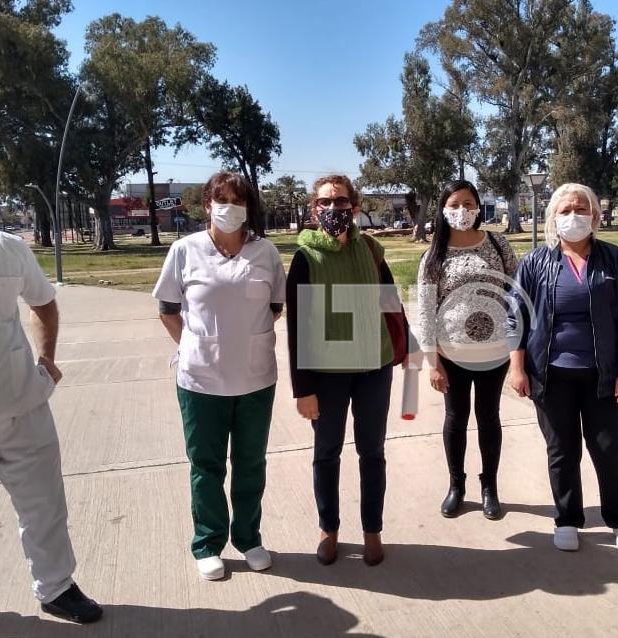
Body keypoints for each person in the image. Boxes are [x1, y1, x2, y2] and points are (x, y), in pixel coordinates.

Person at [0, 164, 102, 638]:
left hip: (22, 402)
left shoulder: (11, 249)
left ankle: (57, 588)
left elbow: (43, 302)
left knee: (45, 505)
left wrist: (46, 357)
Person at [152, 171, 285, 581]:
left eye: (238, 201)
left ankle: (248, 538)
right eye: (221, 199)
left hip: (255, 379)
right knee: (206, 466)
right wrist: (195, 345)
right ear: (207, 204)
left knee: (250, 463)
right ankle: (208, 544)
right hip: (201, 381)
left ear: (249, 208)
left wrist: (246, 339)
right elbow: (167, 309)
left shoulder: (265, 252)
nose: (230, 208)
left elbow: (275, 306)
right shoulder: (184, 250)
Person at [506, 183, 618, 553]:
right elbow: (516, 317)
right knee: (562, 449)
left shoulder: (615, 260)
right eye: (565, 210)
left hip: (603, 375)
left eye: (581, 209)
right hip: (550, 374)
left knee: (608, 448)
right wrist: (517, 368)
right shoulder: (536, 262)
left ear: (596, 216)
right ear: (553, 217)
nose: (573, 216)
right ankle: (567, 519)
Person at [286, 174, 409, 567]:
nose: (333, 208)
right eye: (325, 202)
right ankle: (329, 529)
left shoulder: (370, 248)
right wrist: (303, 389)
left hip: (374, 368)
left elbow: (390, 301)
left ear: (354, 208)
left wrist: (406, 345)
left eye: (341, 201)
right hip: (327, 375)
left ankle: (372, 530)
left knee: (372, 452)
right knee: (327, 453)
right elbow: (297, 328)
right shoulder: (306, 257)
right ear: (314, 209)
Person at [415, 180, 518, 519]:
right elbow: (425, 310)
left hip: (494, 353)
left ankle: (490, 487)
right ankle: (456, 486)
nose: (462, 210)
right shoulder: (434, 255)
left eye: (469, 203)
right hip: (452, 355)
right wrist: (432, 363)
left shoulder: (498, 244)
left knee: (489, 418)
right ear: (443, 209)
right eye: (455, 204)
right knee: (455, 419)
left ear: (478, 207)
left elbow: (517, 293)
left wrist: (518, 347)